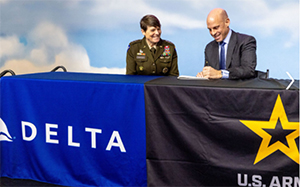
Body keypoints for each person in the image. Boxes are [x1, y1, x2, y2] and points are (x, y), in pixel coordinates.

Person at [196, 8, 257, 79]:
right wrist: (204, 75)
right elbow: (210, 74)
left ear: (227, 22)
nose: (213, 33)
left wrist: (220, 74)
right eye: (210, 29)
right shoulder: (209, 48)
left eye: (216, 27)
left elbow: (248, 70)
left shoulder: (246, 41)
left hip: (238, 89)